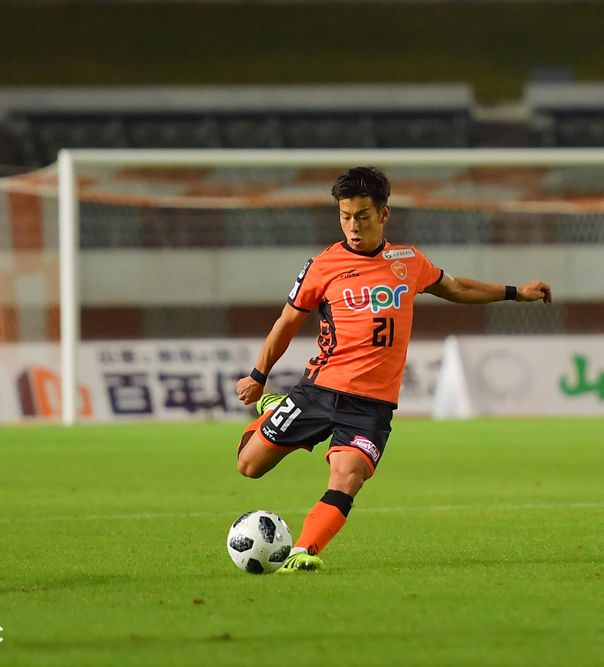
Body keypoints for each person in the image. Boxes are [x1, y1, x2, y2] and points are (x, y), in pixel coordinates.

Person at [235, 166, 552, 572]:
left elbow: (457, 288)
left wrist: (516, 293)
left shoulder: (408, 260)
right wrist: (259, 376)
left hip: (371, 405)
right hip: (320, 390)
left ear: (384, 214)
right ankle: (274, 408)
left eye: (362, 216)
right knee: (249, 466)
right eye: (345, 216)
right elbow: (286, 323)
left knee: (348, 477)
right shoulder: (322, 266)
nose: (353, 226)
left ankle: (303, 551)